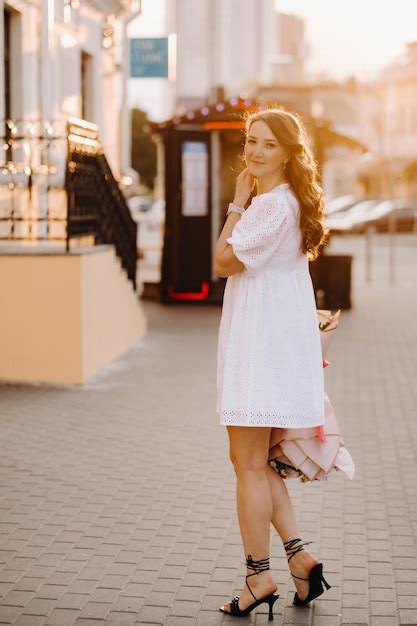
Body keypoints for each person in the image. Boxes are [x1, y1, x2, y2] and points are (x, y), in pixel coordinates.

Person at [214, 107, 332, 619]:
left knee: (247, 466)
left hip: (259, 350)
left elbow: (221, 262)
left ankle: (257, 577)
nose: (255, 152)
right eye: (250, 142)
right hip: (275, 347)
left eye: (267, 144)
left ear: (288, 151)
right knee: (260, 466)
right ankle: (300, 560)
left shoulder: (266, 207)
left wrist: (235, 205)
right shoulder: (287, 203)